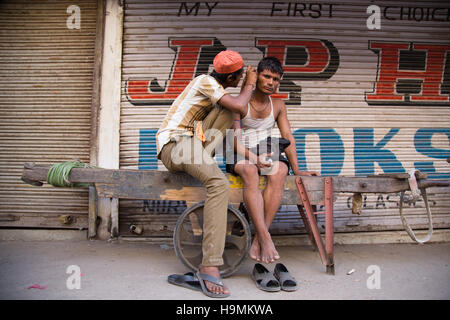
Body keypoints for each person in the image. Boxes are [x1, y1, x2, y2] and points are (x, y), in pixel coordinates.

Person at [156, 50, 257, 298]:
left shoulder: (217, 90)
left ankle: (204, 161)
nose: (242, 80)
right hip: (175, 145)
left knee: (228, 110)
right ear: (233, 77)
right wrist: (251, 85)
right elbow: (241, 104)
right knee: (219, 184)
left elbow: (238, 110)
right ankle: (209, 264)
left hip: (193, 143)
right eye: (240, 77)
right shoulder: (205, 81)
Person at [225, 56, 319, 264]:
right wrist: (254, 159)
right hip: (242, 153)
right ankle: (267, 238)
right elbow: (233, 142)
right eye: (266, 76)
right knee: (250, 171)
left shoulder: (278, 105)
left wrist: (298, 169)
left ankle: (260, 238)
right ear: (256, 76)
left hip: (266, 152)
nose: (271, 82)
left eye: (276, 79)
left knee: (280, 171)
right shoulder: (240, 102)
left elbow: (288, 137)